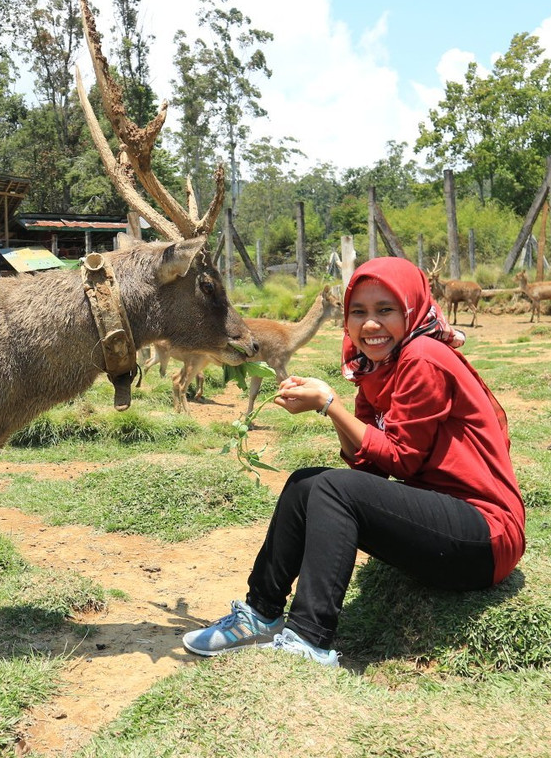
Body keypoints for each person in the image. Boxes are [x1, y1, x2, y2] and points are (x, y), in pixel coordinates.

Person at [183, 257, 525, 666]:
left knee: (330, 488)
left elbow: (402, 462)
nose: (370, 324)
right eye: (358, 312)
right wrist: (328, 407)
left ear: (411, 308)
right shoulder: (374, 367)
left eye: (385, 310)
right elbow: (370, 468)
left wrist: (329, 404)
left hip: (485, 537)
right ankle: (261, 614)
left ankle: (309, 640)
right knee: (305, 484)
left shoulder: (423, 357)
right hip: (442, 524)